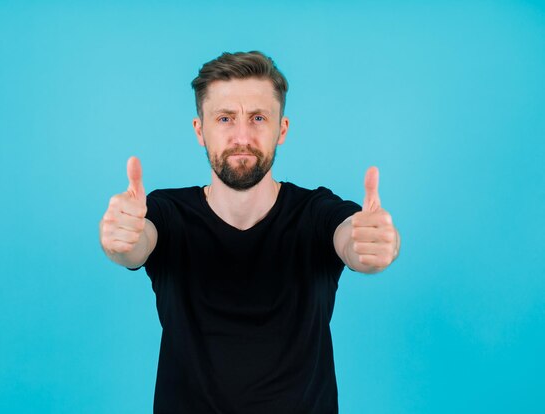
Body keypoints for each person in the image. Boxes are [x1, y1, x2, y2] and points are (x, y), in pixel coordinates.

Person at [99, 51, 401, 414]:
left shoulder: (316, 212)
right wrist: (121, 241)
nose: (242, 136)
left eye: (258, 118)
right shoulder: (167, 213)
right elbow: (137, 244)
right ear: (200, 130)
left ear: (282, 129)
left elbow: (353, 237)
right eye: (225, 118)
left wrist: (378, 244)